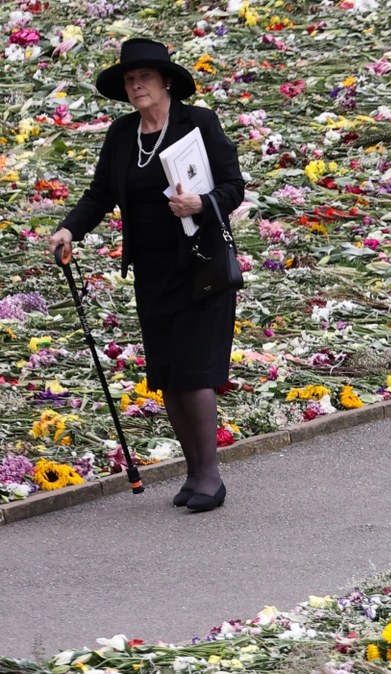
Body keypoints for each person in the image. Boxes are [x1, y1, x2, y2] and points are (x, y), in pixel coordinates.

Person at [48, 38, 244, 513]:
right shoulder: (121, 134)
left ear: (166, 82)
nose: (136, 85)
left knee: (194, 369)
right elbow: (100, 195)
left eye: (145, 78)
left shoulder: (198, 122)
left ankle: (210, 478)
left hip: (200, 264)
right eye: (129, 80)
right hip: (153, 271)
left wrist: (202, 203)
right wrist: (68, 228)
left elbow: (233, 186)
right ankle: (194, 472)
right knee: (168, 373)